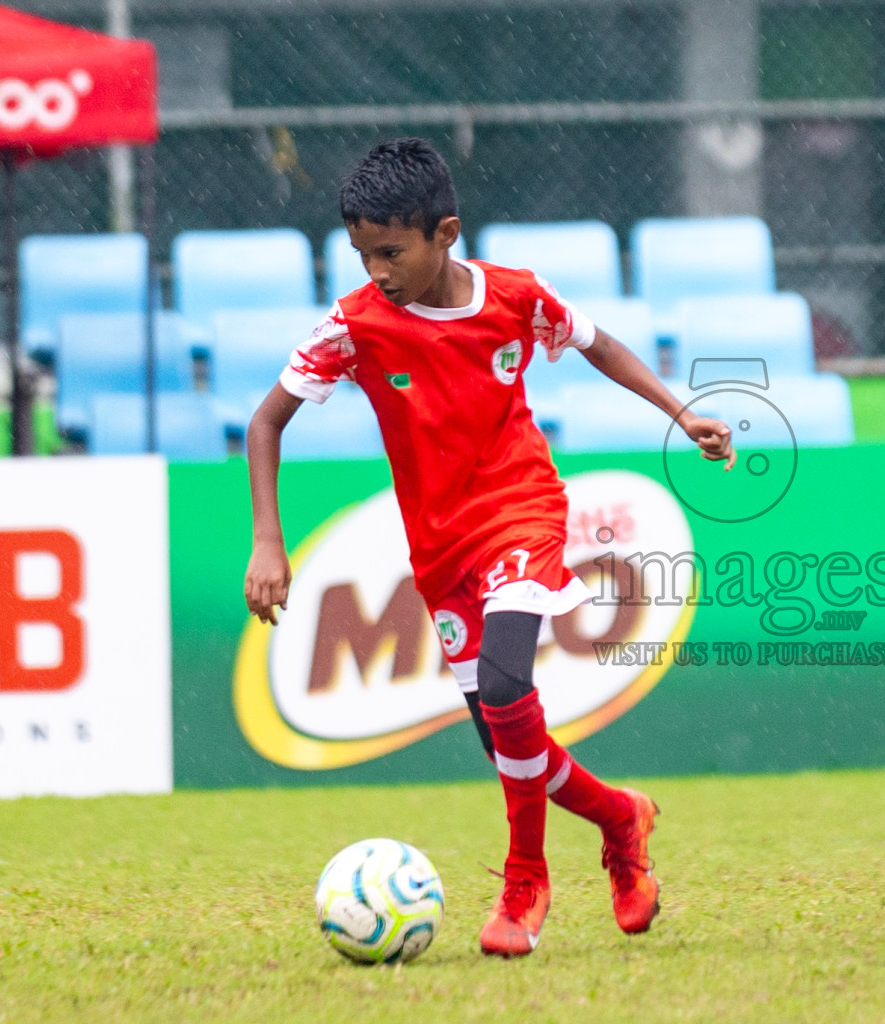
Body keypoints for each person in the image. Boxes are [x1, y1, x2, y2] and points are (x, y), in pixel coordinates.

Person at [242, 138, 736, 958]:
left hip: (521, 511)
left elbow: (598, 344)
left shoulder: (513, 298)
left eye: (391, 252)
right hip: (439, 548)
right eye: (364, 254)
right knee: (507, 739)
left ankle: (523, 886)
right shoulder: (356, 326)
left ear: (447, 232)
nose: (378, 271)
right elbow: (266, 421)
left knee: (508, 683)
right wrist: (268, 540)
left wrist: (681, 415)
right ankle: (622, 817)